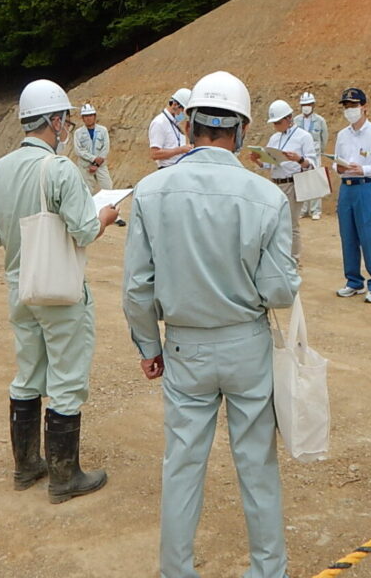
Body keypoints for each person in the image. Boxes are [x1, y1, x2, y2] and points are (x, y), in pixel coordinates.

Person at [123, 71, 300, 578]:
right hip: (246, 347)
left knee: (182, 465)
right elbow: (280, 292)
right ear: (241, 131)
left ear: (188, 125)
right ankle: (268, 570)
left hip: (183, 349)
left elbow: (137, 287)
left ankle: (176, 571)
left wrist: (147, 346)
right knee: (257, 465)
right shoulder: (265, 197)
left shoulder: (153, 192)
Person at [0, 80, 119, 501]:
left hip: (19, 285)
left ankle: (27, 467)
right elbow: (85, 229)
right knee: (66, 376)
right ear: (55, 121)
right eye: (65, 121)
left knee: (27, 372)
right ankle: (64, 476)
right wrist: (107, 215)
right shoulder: (59, 170)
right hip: (57, 287)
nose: (67, 129)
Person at [333, 87, 371, 303]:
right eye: (347, 106)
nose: (350, 110)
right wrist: (337, 168)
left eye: (353, 105)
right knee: (348, 236)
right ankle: (353, 281)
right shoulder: (342, 135)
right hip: (347, 188)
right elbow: (336, 160)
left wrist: (365, 170)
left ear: (364, 107)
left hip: (366, 187)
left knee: (369, 236)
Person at [248, 99, 316, 262]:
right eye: (274, 123)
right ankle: (279, 256)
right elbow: (268, 163)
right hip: (276, 183)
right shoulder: (274, 138)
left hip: (292, 184)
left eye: (278, 122)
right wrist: (258, 159)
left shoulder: (303, 137)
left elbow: (313, 163)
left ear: (288, 119)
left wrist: (299, 159)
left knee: (291, 224)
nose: (276, 126)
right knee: (275, 222)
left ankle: (293, 260)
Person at [72, 102, 126, 226]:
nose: (88, 118)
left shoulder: (102, 130)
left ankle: (115, 215)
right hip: (85, 166)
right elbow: (79, 150)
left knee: (108, 187)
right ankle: (90, 216)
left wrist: (96, 163)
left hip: (100, 165)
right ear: (82, 118)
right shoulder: (78, 133)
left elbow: (105, 148)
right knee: (86, 191)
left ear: (95, 116)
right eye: (85, 116)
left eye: (90, 115)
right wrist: (93, 159)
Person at [296, 92, 329, 220]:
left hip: (315, 155)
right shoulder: (296, 120)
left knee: (315, 181)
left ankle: (316, 210)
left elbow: (324, 138)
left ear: (313, 105)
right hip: (300, 155)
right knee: (302, 181)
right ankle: (303, 210)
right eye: (304, 104)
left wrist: (320, 151)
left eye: (308, 104)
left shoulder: (320, 121)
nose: (306, 107)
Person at [148, 88, 193, 169]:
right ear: (175, 105)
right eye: (182, 110)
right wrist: (180, 150)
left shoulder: (174, 123)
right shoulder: (159, 123)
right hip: (167, 169)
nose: (183, 114)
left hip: (178, 168)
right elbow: (155, 154)